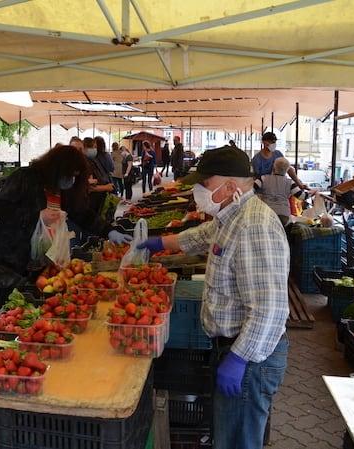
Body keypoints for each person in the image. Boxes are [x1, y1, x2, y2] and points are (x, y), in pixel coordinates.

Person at [137, 146, 289, 449]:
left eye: (205, 185)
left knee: (238, 441)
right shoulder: (233, 215)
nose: (198, 192)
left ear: (230, 186)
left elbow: (270, 308)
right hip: (235, 348)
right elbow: (203, 236)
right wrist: (156, 242)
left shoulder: (254, 225)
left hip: (250, 359)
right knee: (229, 436)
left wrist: (238, 358)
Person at [0, 145, 131, 314]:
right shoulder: (25, 177)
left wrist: (109, 231)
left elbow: (81, 213)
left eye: (75, 176)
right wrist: (37, 216)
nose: (71, 180)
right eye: (70, 175)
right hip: (12, 256)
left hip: (40, 260)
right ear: (57, 168)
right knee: (6, 308)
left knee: (32, 305)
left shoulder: (62, 190)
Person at [255, 157, 318, 225]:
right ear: (287, 169)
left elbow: (251, 189)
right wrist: (313, 192)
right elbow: (302, 196)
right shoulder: (290, 183)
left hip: (266, 213)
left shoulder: (263, 178)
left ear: (273, 167)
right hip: (283, 216)